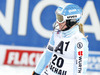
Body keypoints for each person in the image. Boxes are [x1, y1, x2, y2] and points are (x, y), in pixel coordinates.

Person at [32, 3, 89, 75]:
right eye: (57, 17)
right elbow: (47, 54)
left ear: (71, 20)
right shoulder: (56, 33)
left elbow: (81, 69)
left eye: (60, 18)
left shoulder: (79, 41)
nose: (58, 22)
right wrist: (36, 72)